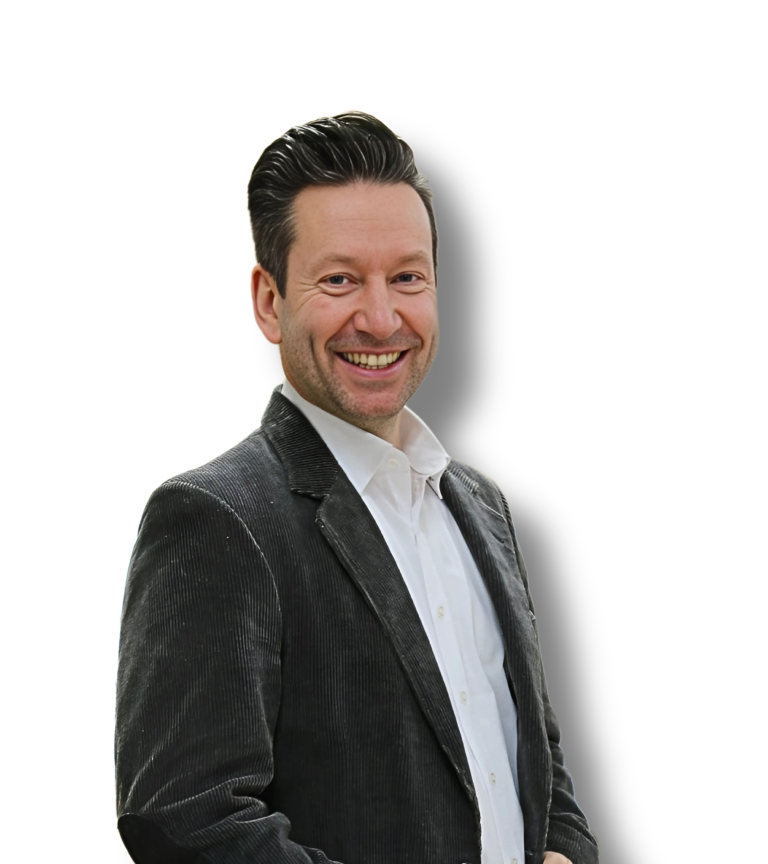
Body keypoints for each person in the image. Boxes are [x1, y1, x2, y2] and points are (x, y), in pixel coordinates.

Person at [115, 112, 599, 864]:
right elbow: (185, 820)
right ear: (270, 301)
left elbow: (535, 754)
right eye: (339, 280)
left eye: (407, 278)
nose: (380, 318)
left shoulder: (483, 508)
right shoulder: (216, 520)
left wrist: (564, 850)